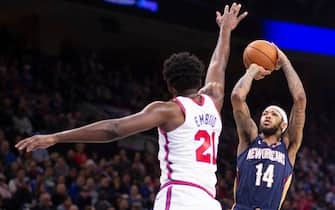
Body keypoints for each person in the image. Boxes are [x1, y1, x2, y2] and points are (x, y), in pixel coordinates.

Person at [15, 3, 247, 210]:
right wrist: (225, 30)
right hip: (209, 201)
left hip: (179, 197)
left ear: (170, 86)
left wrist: (56, 137)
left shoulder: (169, 110)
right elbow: (219, 63)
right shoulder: (213, 100)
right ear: (199, 80)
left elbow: (114, 129)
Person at [230, 47, 306, 210]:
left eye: (274, 114)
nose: (267, 115)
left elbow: (300, 99)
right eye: (265, 113)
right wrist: (252, 70)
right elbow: (237, 97)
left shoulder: (288, 147)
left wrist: (285, 62)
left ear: (284, 125)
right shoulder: (249, 138)